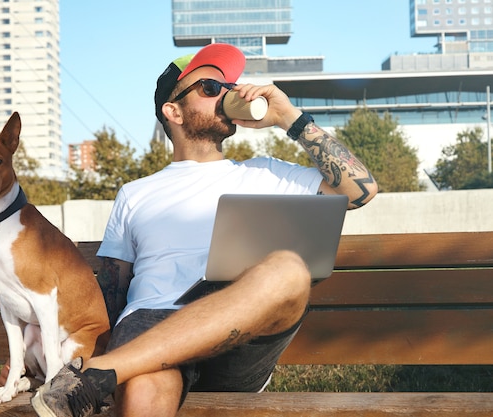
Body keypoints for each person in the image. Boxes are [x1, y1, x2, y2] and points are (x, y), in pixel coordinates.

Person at [30, 43, 378, 417]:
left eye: (228, 87)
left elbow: (361, 190)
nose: (227, 94)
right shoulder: (134, 194)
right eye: (211, 88)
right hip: (150, 321)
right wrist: (54, 350)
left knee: (289, 270)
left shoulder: (269, 171)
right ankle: (107, 372)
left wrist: (290, 119)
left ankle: (101, 375)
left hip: (239, 332)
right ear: (173, 110)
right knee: (146, 389)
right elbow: (110, 295)